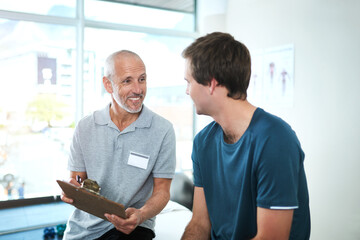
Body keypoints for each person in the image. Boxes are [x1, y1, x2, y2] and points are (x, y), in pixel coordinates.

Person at [181, 32, 310, 240]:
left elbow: (271, 238)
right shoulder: (203, 143)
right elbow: (199, 223)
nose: (187, 91)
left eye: (189, 82)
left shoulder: (275, 140)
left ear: (211, 84)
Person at [61, 50, 176, 240]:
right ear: (108, 84)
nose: (138, 90)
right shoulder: (85, 127)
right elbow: (78, 179)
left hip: (134, 225)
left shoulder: (163, 130)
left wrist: (141, 214)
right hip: (83, 228)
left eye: (142, 79)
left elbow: (162, 192)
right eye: (127, 81)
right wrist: (75, 189)